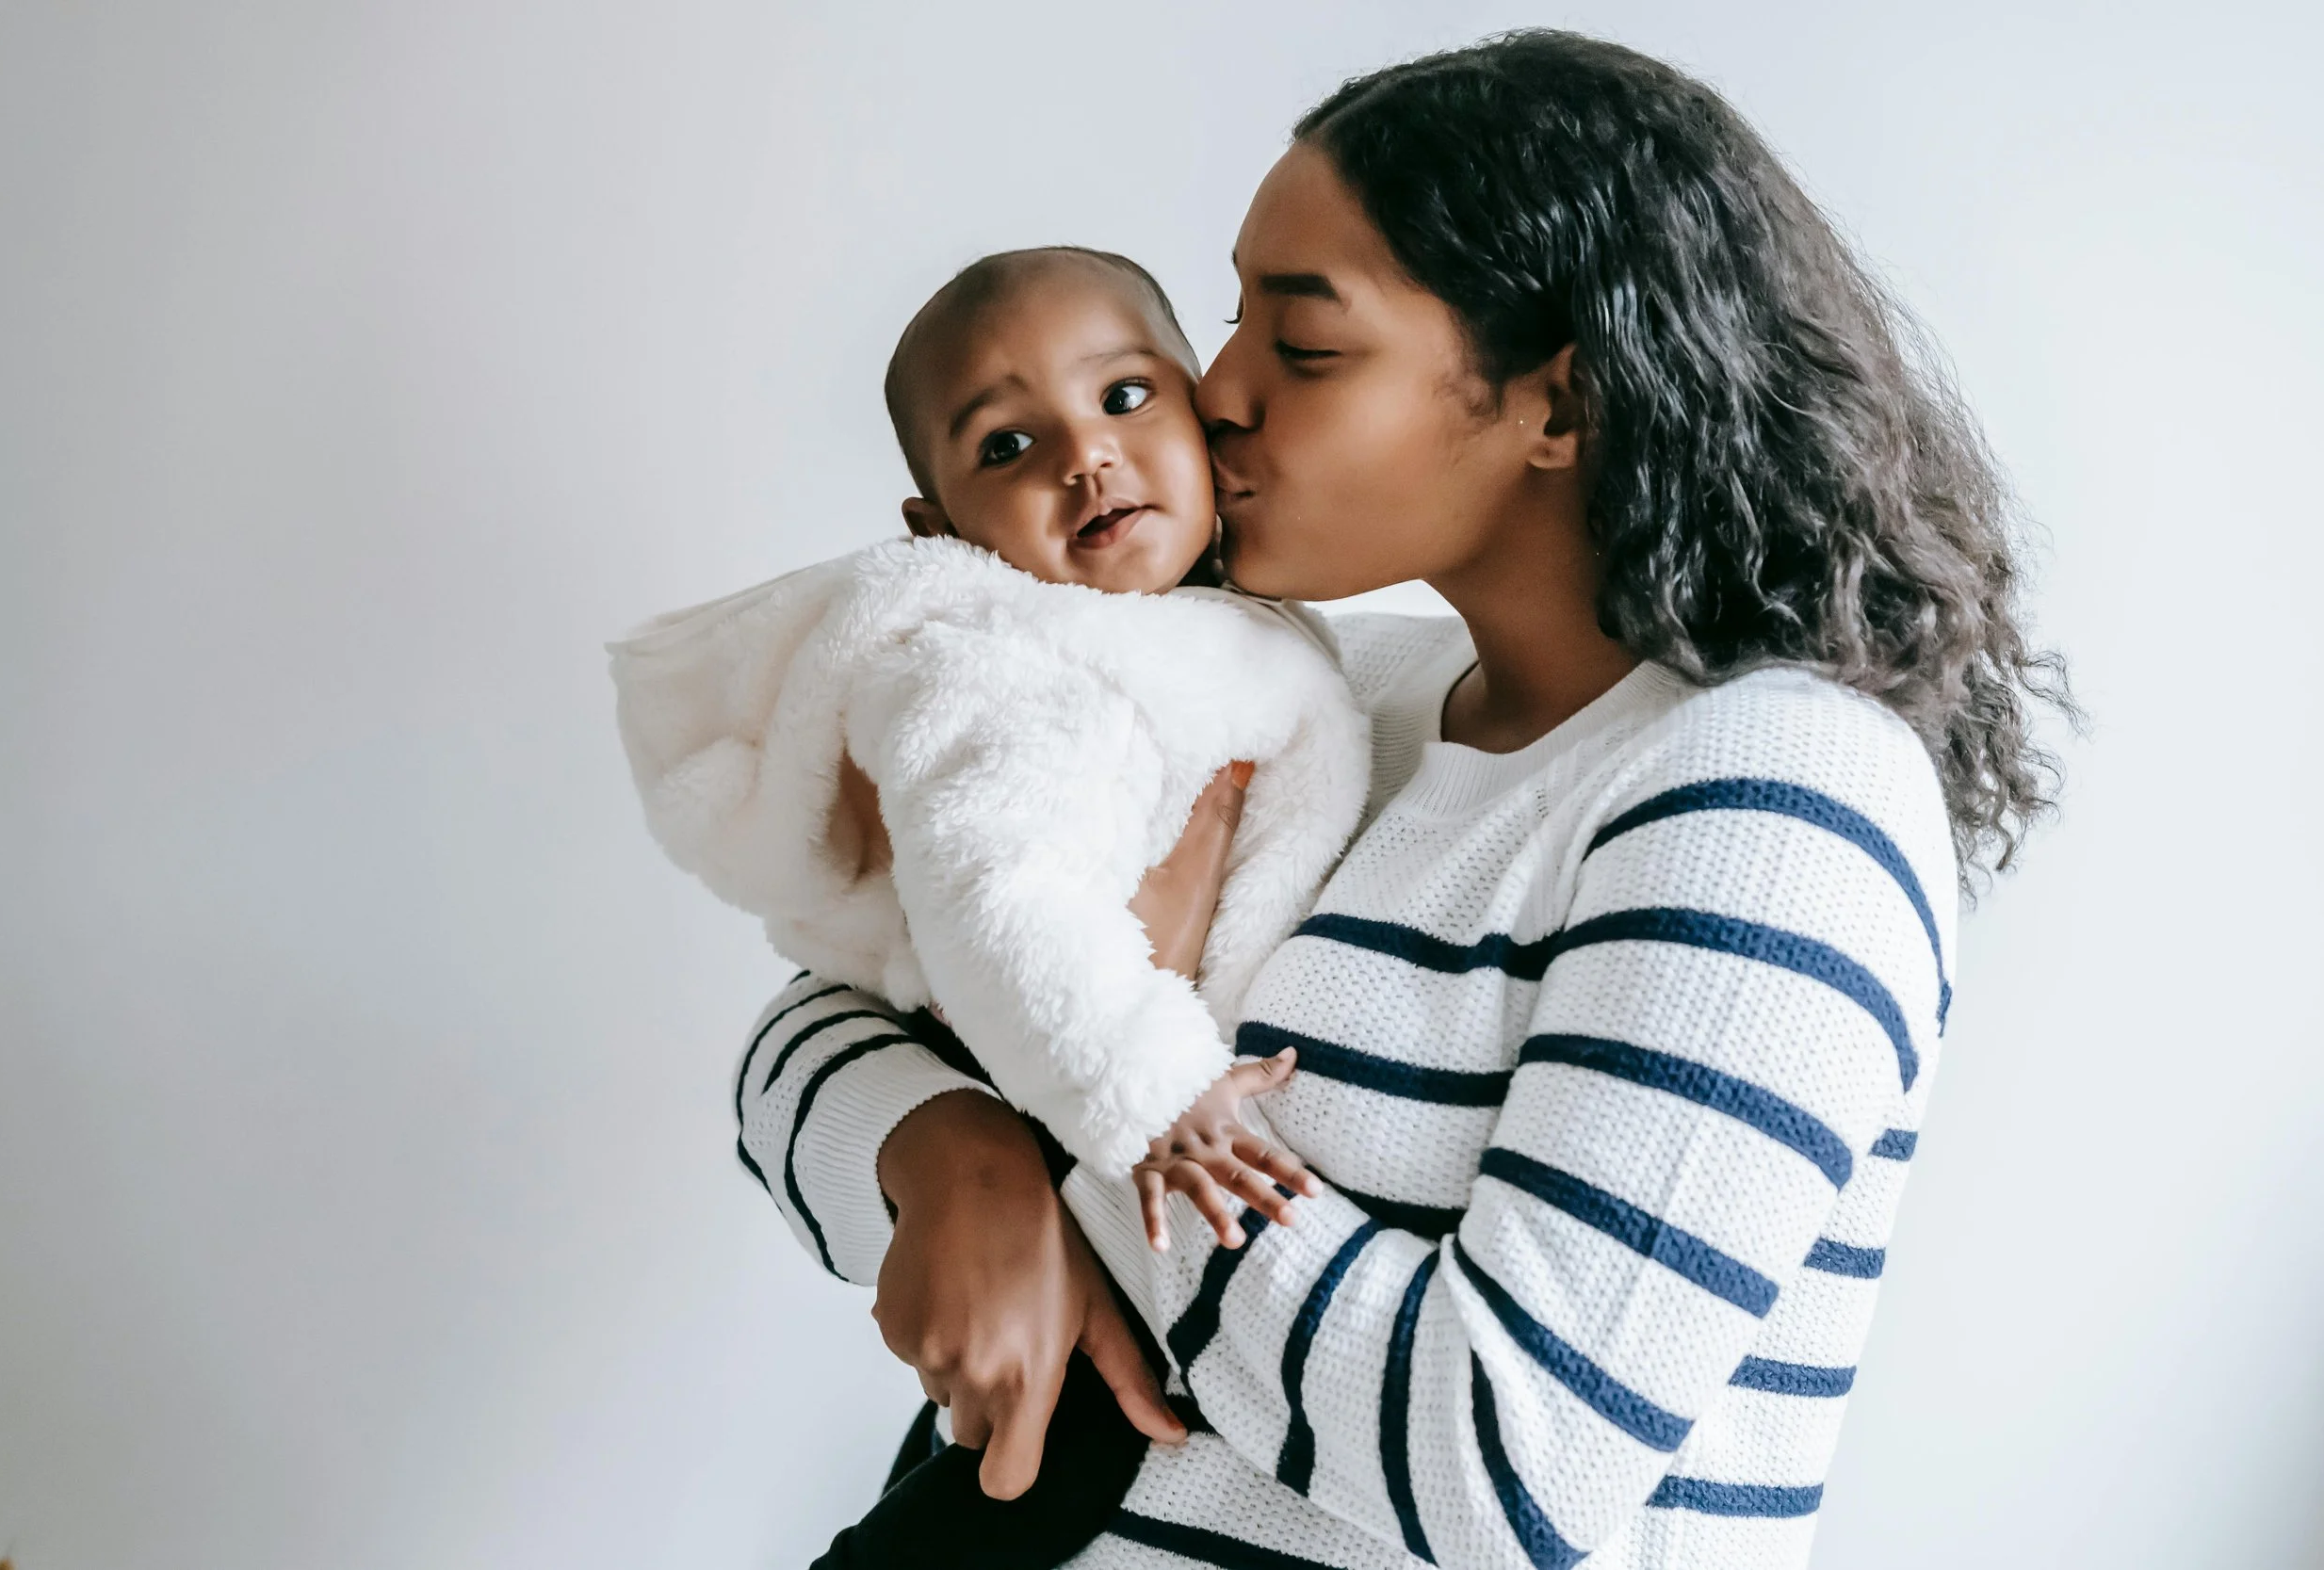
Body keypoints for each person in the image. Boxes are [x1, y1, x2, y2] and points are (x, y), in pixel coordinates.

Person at [740, 29, 2071, 1570]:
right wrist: (946, 1153)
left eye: (1302, 347)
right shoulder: (1314, 691)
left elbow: (1497, 1463)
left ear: (1557, 409)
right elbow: (824, 1011)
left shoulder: (1773, 801)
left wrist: (1121, 1083)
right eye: (1229, 313)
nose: (1208, 390)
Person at [615, 246, 1359, 1566]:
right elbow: (990, 889)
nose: (1088, 457)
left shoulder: (1255, 637)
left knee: (1012, 1458)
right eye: (1010, 443)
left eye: (1126, 398)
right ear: (940, 530)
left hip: (1102, 1147)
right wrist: (1150, 1087)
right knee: (1021, 1476)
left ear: (1197, 410)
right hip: (1059, 1069)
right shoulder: (998, 667)